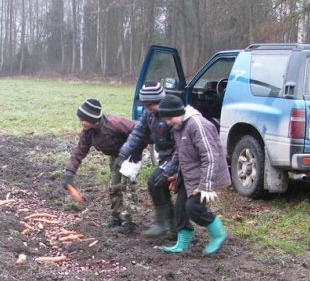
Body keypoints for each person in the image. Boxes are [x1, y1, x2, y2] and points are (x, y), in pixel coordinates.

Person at [156, 95, 230, 256]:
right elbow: (180, 153)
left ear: (179, 112)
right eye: (166, 119)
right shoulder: (178, 126)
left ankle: (218, 234)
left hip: (206, 175)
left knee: (193, 207)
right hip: (190, 175)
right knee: (181, 209)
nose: (169, 122)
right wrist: (170, 172)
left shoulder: (197, 125)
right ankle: (182, 243)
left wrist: (206, 186)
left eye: (170, 118)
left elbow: (210, 156)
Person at [62, 98, 138, 234]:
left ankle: (128, 222)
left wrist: (132, 150)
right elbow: (79, 151)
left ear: (92, 119)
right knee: (114, 186)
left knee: (127, 188)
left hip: (131, 155)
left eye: (83, 119)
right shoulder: (88, 132)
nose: (80, 122)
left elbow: (138, 130)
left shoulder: (115, 123)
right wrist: (70, 172)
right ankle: (116, 217)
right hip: (115, 157)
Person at [117, 81, 179, 240]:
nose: (148, 108)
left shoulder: (171, 113)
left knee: (158, 183)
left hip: (180, 157)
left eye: (150, 104)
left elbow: (181, 146)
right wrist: (123, 154)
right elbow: (137, 134)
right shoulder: (148, 114)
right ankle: (167, 226)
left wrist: (170, 170)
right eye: (145, 104)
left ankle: (175, 227)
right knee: (156, 185)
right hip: (165, 156)